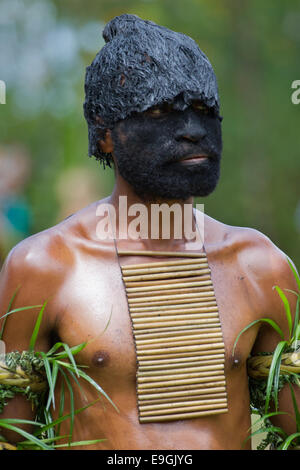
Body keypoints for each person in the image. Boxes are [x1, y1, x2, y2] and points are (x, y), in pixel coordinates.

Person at [0, 14, 299, 450]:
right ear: (106, 133)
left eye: (203, 111)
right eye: (160, 111)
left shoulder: (260, 265)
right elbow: (14, 439)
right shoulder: (46, 267)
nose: (192, 132)